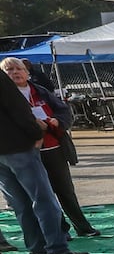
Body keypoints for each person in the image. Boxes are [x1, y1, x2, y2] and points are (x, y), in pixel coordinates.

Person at [3, 57, 102, 239]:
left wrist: (57, 122)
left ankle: (83, 226)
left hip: (53, 148)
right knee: (42, 195)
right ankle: (59, 231)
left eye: (19, 69)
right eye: (9, 70)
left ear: (27, 72)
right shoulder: (6, 96)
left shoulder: (40, 91)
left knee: (65, 190)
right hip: (26, 153)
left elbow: (63, 110)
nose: (15, 72)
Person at [0, 67, 88, 254]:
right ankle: (57, 249)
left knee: (20, 204)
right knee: (44, 200)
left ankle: (37, 250)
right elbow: (18, 108)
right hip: (18, 147)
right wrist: (36, 134)